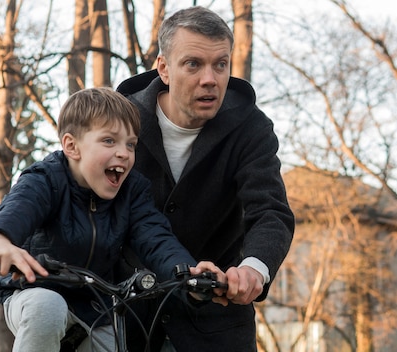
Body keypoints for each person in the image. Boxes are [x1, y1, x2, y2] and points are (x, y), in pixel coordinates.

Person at [0, 87, 227, 352]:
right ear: (72, 146)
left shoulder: (132, 191)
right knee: (48, 308)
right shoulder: (46, 180)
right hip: (35, 293)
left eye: (130, 144)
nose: (123, 153)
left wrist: (188, 274)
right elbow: (18, 209)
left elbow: (156, 238)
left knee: (116, 342)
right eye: (109, 141)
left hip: (95, 307)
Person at [116, 6, 295, 352]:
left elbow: (271, 212)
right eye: (193, 64)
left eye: (221, 64)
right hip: (124, 318)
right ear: (164, 68)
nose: (210, 79)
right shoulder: (120, 120)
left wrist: (254, 269)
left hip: (216, 323)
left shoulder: (251, 127)